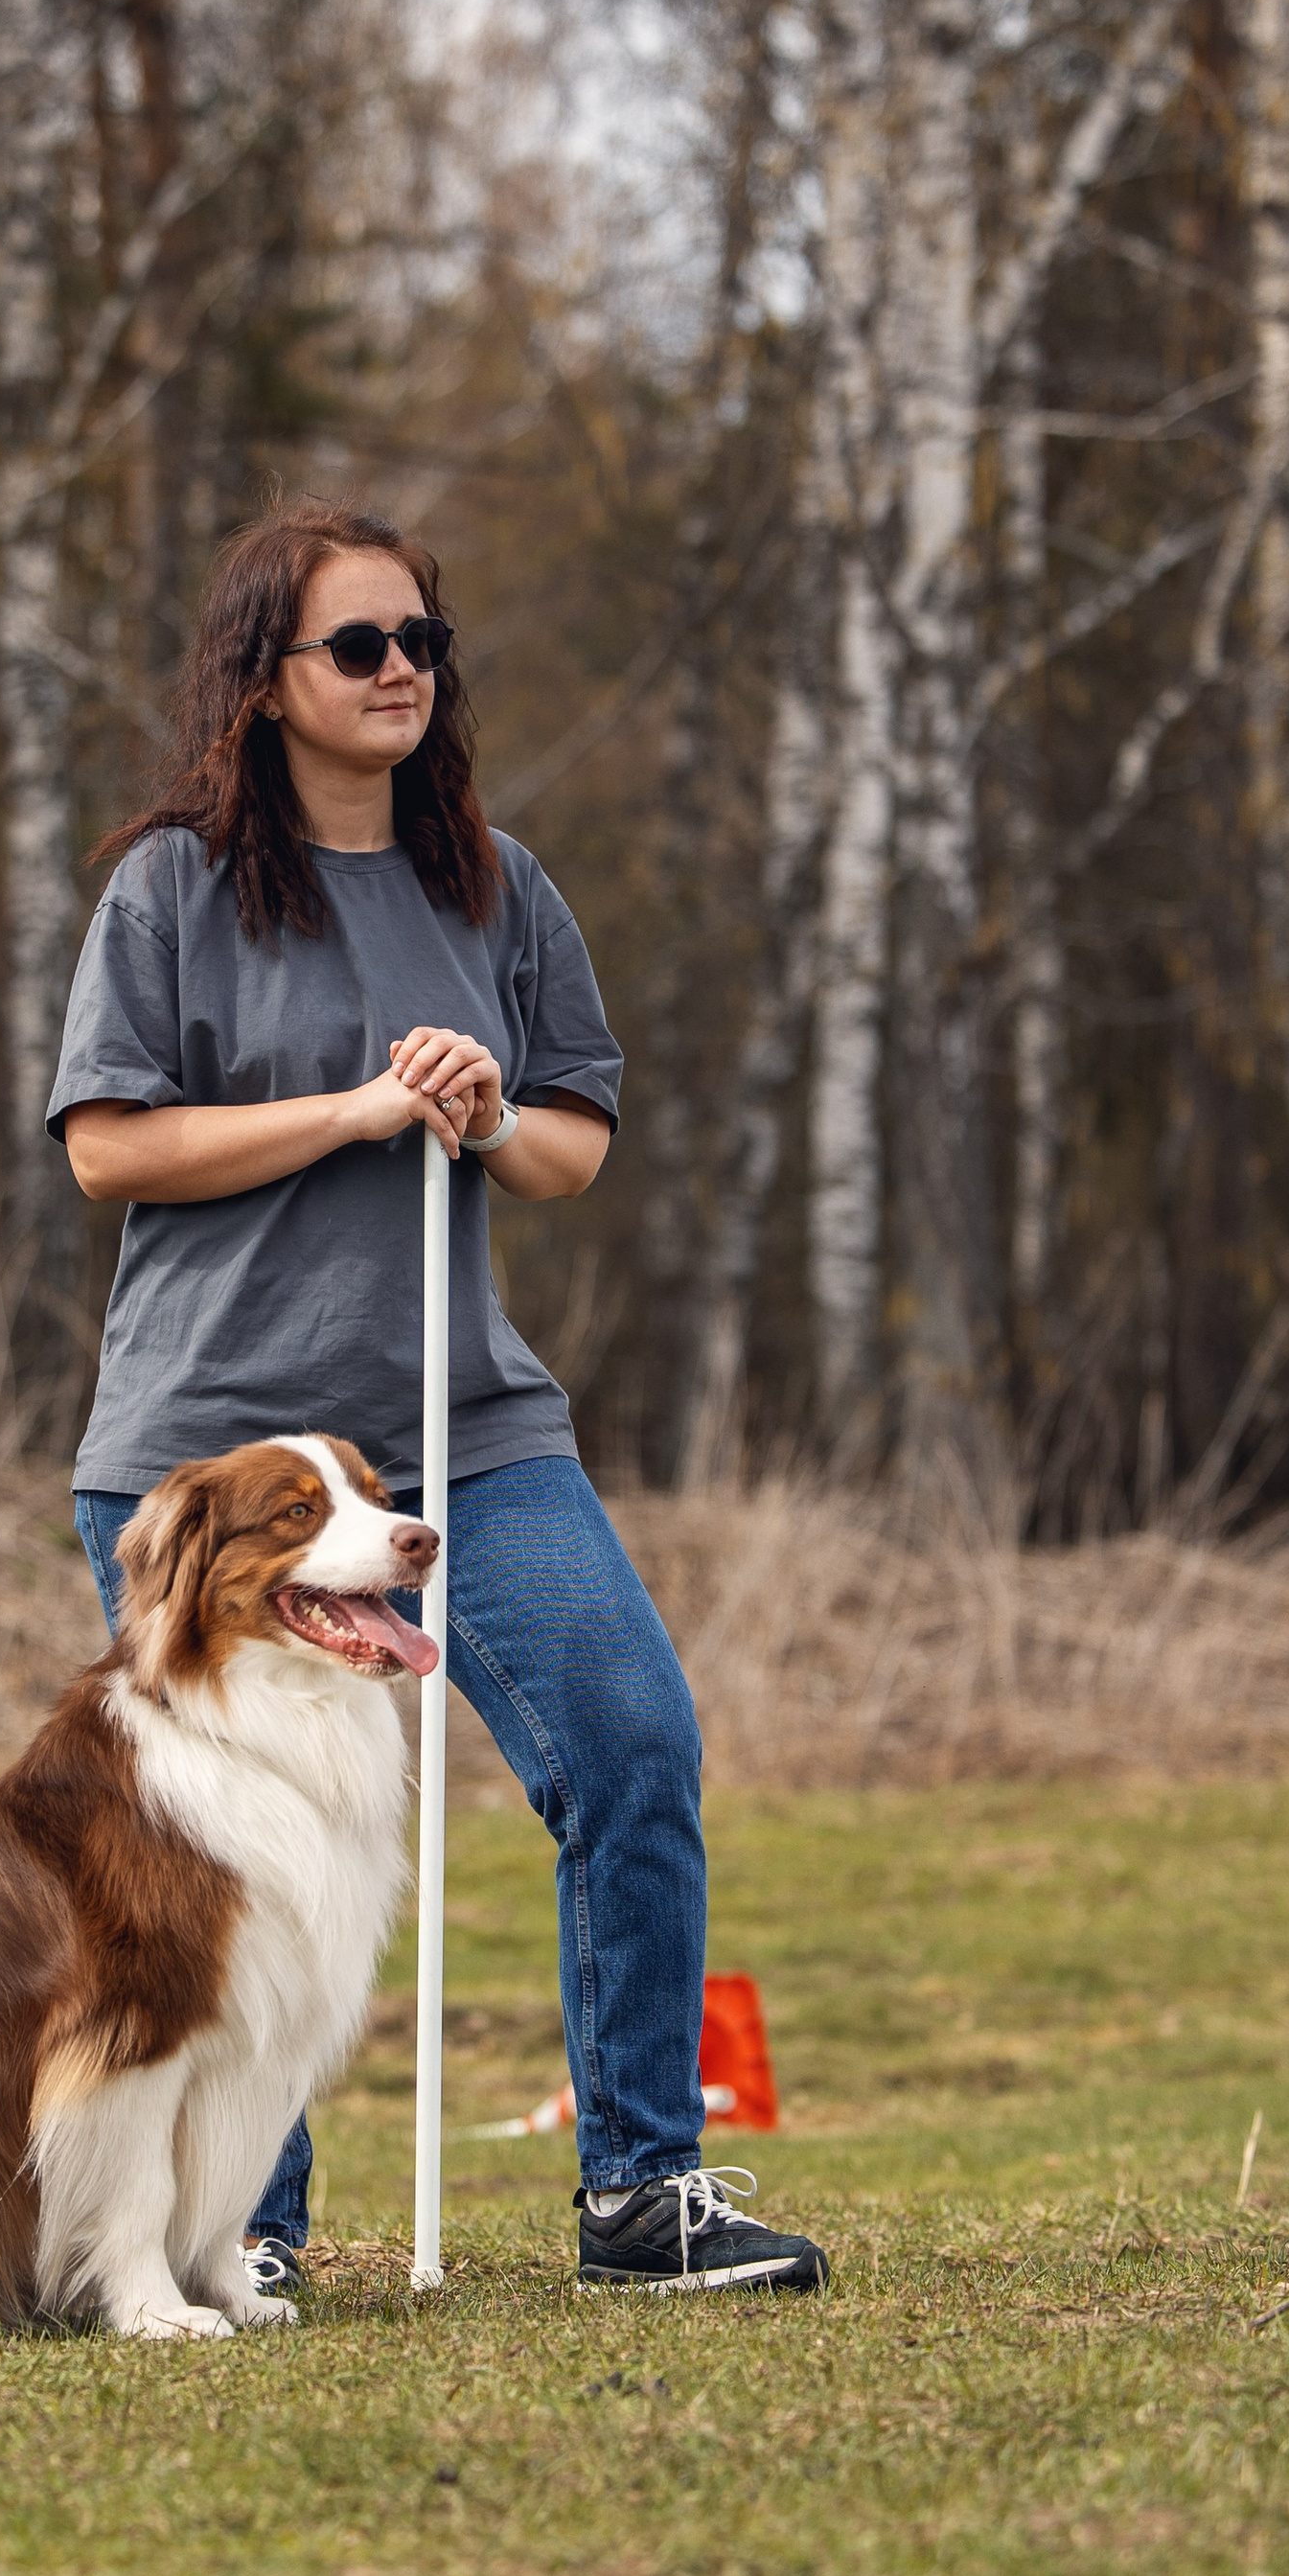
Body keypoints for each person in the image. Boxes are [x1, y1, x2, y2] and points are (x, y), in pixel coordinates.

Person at [48, 499, 828, 2302]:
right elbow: (108, 1151)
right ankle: (252, 2236)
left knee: (632, 1744)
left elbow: (571, 1147)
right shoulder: (170, 888)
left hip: (462, 1430)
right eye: (360, 647)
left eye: (424, 644)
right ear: (266, 681)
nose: (403, 672)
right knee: (235, 1840)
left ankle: (646, 2197)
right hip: (217, 1451)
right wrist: (350, 1111)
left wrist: (479, 1114)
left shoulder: (500, 884)